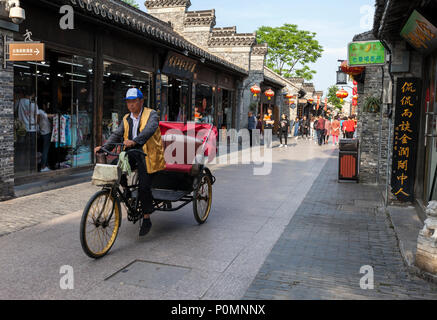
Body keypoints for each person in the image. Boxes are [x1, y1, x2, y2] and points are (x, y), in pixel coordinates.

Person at [95, 88, 166, 237]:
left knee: (144, 187)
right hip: (132, 152)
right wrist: (104, 147)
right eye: (129, 102)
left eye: (134, 101)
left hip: (149, 155)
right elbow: (117, 134)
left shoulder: (151, 114)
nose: (131, 105)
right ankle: (125, 189)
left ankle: (146, 217)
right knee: (115, 166)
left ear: (141, 101)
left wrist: (134, 141)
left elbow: (149, 130)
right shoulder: (126, 118)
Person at [38, 103, 53, 172]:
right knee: (45, 151)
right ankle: (43, 167)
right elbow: (47, 116)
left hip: (44, 132)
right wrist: (55, 115)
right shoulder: (40, 111)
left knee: (45, 150)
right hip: (45, 133)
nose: (47, 106)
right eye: (46, 104)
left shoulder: (41, 111)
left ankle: (45, 165)